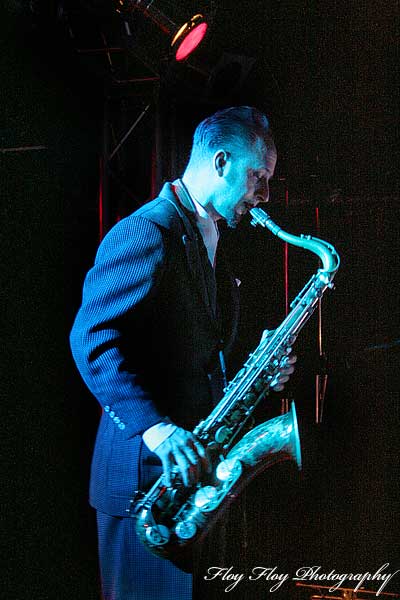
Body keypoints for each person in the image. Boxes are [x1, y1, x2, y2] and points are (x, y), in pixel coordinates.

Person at [70, 106, 296, 600]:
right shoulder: (148, 230)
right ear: (220, 162)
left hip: (190, 483)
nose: (264, 194)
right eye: (258, 176)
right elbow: (91, 340)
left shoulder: (211, 234)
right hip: (147, 489)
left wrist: (258, 372)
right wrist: (158, 428)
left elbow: (192, 357)